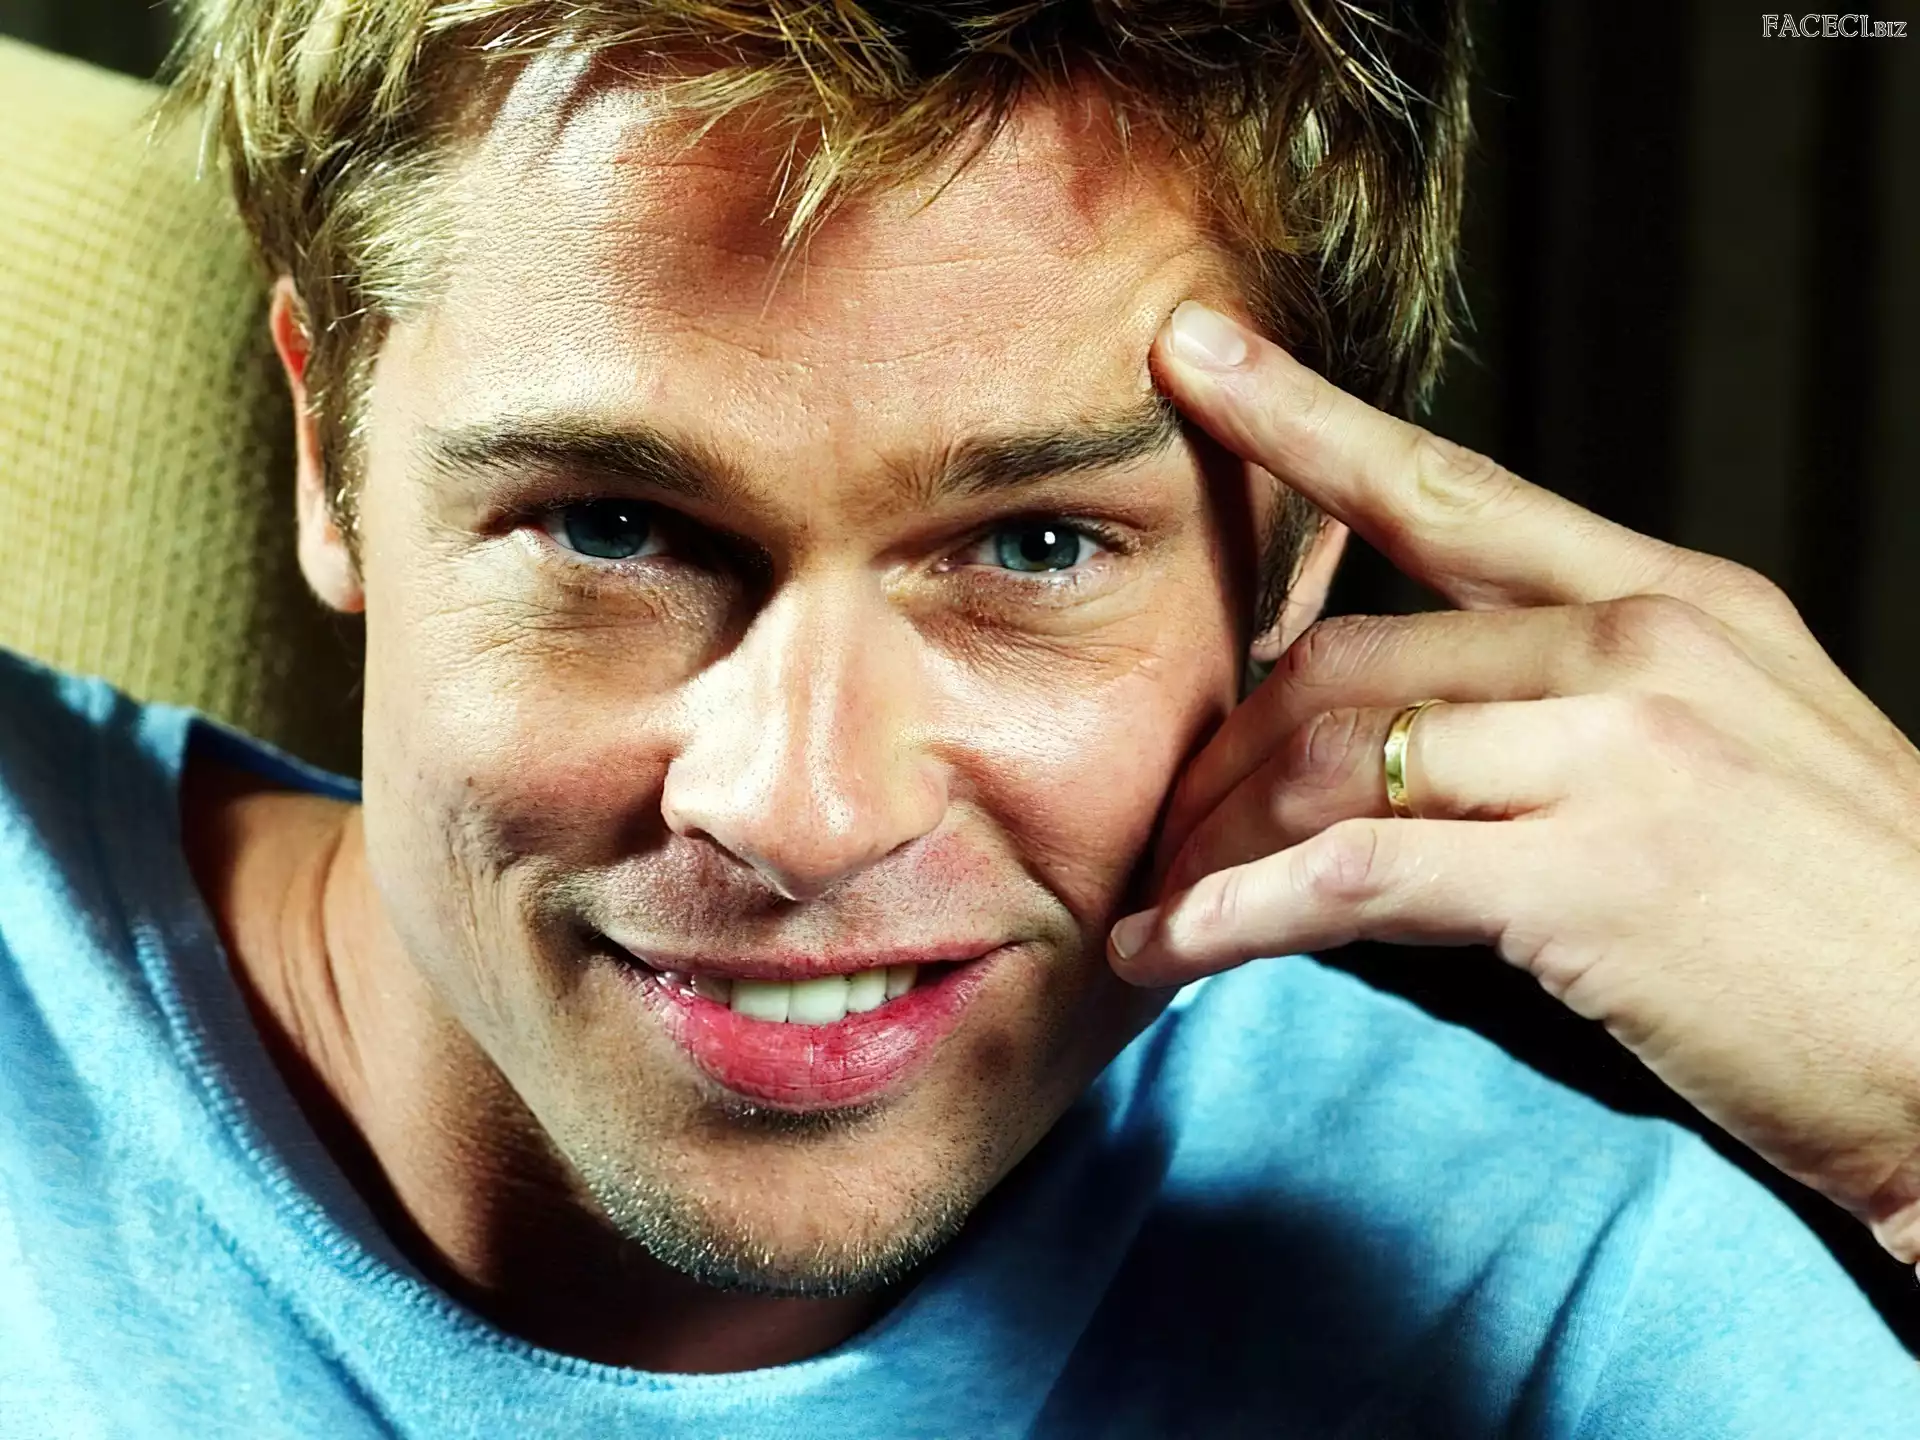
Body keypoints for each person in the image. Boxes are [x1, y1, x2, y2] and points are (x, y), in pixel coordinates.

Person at [3, 0, 1918, 1435]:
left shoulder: (1571, 1315)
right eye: (614, 527)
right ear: (329, 447)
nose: (803, 809)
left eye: (1035, 547)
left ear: (1301, 543)